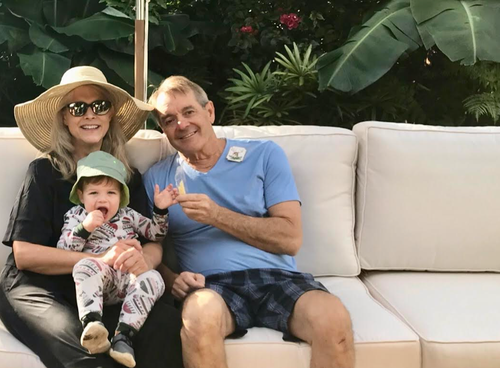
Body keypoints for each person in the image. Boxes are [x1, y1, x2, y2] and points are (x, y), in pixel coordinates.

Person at [143, 76, 355, 368]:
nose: (181, 124)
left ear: (210, 112)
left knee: (332, 319)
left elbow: (290, 239)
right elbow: (147, 248)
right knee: (198, 318)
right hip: (210, 285)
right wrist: (172, 280)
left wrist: (216, 215)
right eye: (169, 120)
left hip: (277, 278)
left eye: (188, 112)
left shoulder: (264, 155)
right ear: (164, 130)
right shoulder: (156, 178)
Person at [0, 66, 183, 368]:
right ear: (65, 119)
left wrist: (143, 261)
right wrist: (102, 260)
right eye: (77, 108)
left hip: (108, 287)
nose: (90, 115)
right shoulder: (44, 173)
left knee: (166, 324)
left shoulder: (126, 177)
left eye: (100, 106)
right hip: (40, 288)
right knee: (90, 356)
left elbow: (153, 241)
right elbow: (24, 255)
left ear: (111, 115)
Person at [57, 150, 179, 367]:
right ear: (82, 196)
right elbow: (64, 250)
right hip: (100, 282)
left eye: (111, 193)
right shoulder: (76, 216)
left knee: (154, 279)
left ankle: (124, 337)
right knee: (84, 265)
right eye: (93, 193)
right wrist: (84, 229)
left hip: (130, 280)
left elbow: (156, 234)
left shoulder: (128, 215)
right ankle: (93, 325)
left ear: (121, 197)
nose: (102, 199)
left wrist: (160, 210)